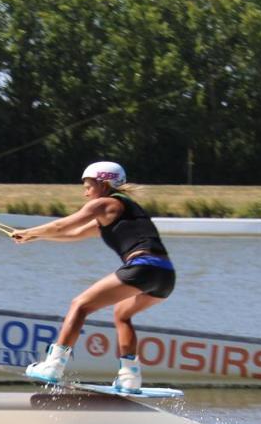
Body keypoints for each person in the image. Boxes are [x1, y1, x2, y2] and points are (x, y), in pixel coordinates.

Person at [12, 161, 174, 392]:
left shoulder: (105, 203)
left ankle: (53, 366)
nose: (85, 191)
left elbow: (62, 225)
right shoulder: (122, 210)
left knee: (80, 305)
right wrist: (36, 238)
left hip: (142, 267)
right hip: (165, 276)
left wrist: (29, 231)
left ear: (103, 183)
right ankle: (130, 377)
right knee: (122, 314)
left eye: (88, 185)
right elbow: (74, 234)